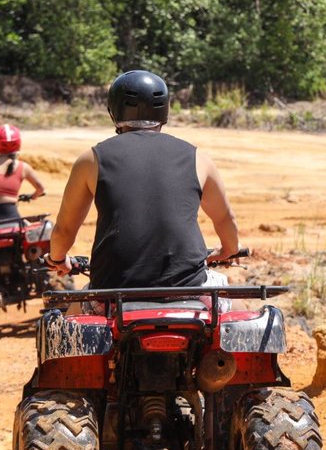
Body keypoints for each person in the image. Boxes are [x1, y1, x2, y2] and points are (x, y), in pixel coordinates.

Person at [45, 70, 240, 293]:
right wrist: (229, 249)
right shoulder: (198, 158)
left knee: (67, 321)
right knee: (236, 310)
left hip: (113, 291)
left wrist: (58, 258)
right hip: (189, 287)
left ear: (113, 111)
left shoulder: (91, 159)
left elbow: (65, 230)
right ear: (164, 110)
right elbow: (225, 217)